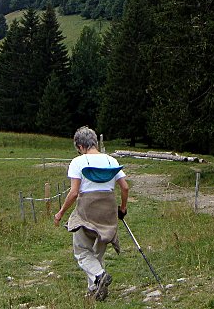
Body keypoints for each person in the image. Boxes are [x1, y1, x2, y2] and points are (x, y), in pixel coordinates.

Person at [54, 126, 129, 301]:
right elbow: (125, 187)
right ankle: (95, 289)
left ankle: (99, 275)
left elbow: (74, 192)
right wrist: (123, 209)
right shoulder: (111, 161)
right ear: (95, 142)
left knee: (81, 251)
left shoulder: (78, 162)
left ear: (80, 146)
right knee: (97, 253)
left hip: (87, 210)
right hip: (108, 210)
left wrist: (61, 212)